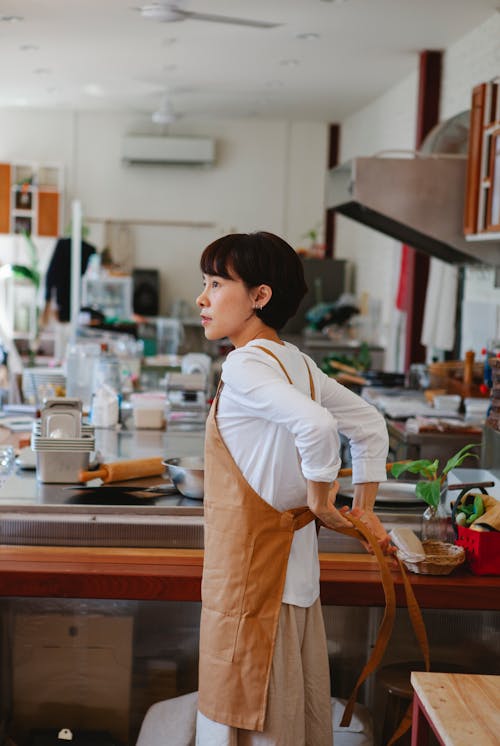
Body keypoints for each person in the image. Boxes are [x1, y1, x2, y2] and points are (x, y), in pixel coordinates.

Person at [195, 231, 391, 746]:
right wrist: (363, 508)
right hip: (297, 586)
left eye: (217, 283)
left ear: (260, 297)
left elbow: (319, 427)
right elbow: (369, 425)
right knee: (291, 721)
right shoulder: (297, 361)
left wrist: (322, 501)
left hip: (251, 590)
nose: (203, 298)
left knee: (248, 722)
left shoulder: (242, 364)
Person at [40, 231, 96, 360]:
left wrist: (48, 301)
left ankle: (61, 362)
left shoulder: (62, 247)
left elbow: (51, 276)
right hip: (79, 308)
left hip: (64, 306)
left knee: (64, 345)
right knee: (71, 346)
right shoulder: (89, 250)